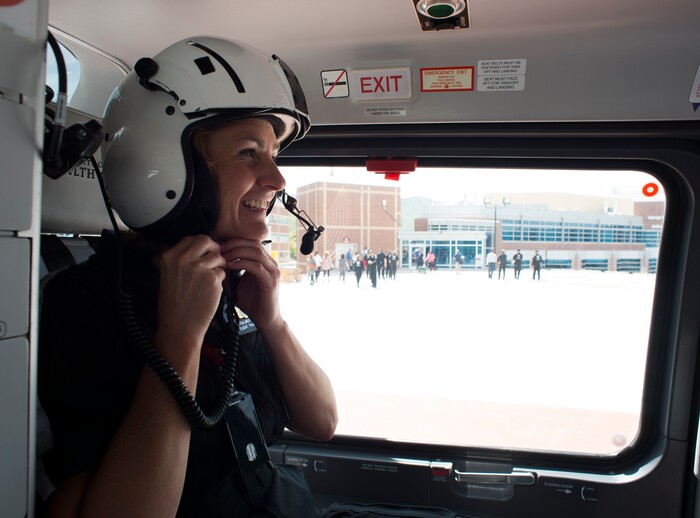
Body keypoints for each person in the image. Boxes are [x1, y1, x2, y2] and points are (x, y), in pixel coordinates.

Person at [38, 37, 337, 517]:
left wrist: (272, 322)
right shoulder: (85, 303)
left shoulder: (225, 283)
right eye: (249, 153)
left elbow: (322, 422)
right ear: (167, 168)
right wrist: (178, 339)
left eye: (274, 154)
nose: (278, 179)